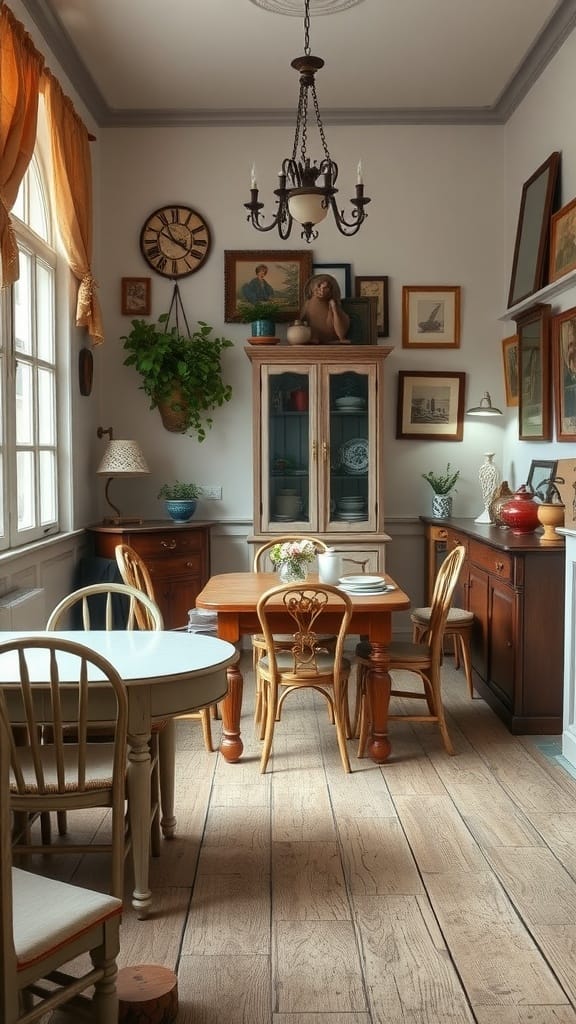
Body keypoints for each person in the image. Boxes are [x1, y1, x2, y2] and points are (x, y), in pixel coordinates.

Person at [300, 274, 350, 345]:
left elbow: (341, 334)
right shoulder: (308, 304)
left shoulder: (332, 304)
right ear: (312, 287)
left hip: (330, 341)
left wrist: (334, 309)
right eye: (319, 286)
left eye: (326, 288)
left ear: (331, 291)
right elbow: (302, 322)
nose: (322, 290)